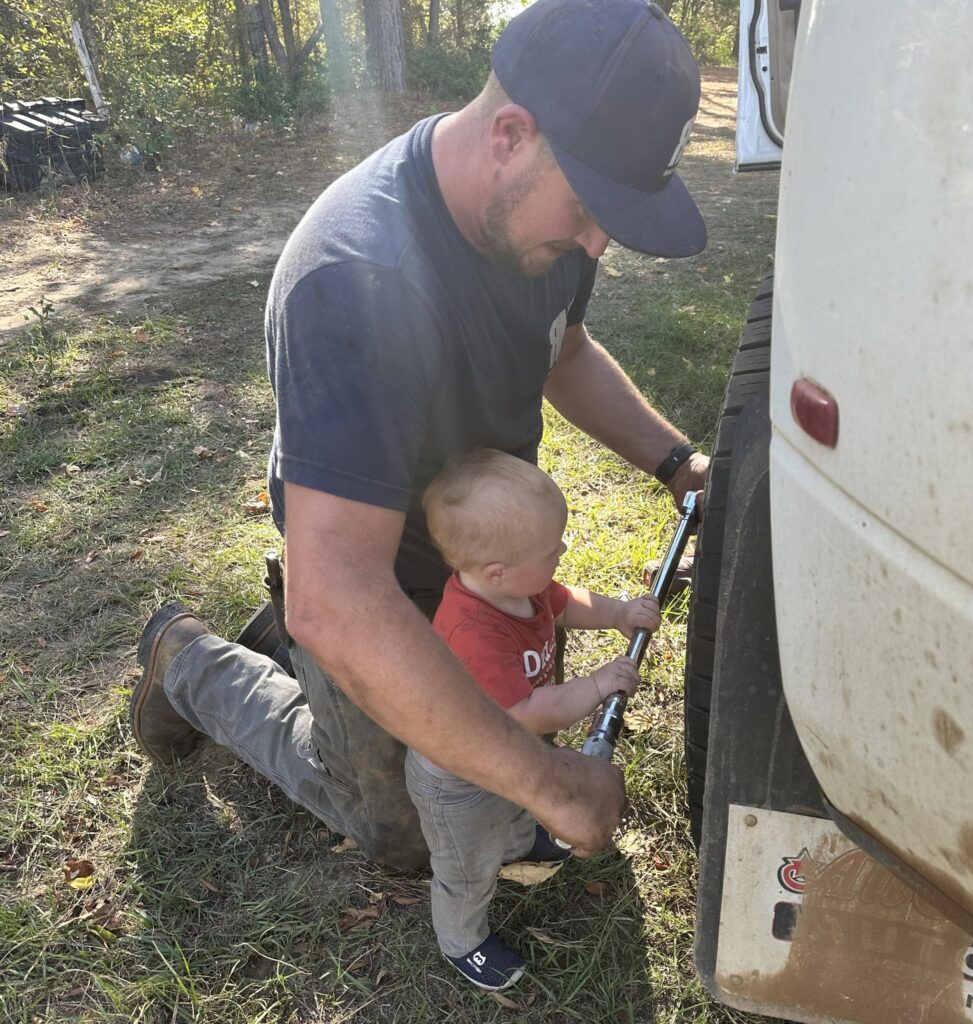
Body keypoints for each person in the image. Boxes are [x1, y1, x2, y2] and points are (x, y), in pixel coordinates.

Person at [130, 0, 709, 873]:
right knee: (405, 830)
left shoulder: (541, 233)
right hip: (373, 584)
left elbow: (567, 347)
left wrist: (677, 463)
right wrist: (547, 783)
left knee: (476, 762)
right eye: (592, 207)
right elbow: (345, 597)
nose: (597, 242)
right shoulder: (354, 282)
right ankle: (191, 660)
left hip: (472, 560)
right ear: (511, 135)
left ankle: (309, 631)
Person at [406, 449, 661, 990]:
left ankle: (522, 845)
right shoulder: (473, 632)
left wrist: (616, 612)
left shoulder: (518, 587)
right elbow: (526, 714)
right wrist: (597, 684)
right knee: (466, 865)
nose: (562, 551)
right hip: (456, 779)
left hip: (502, 754)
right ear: (497, 571)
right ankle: (463, 940)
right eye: (551, 549)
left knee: (518, 801)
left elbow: (564, 603)